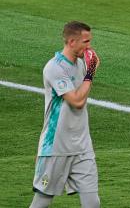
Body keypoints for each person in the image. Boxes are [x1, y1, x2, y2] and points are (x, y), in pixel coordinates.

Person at [29, 21, 101, 208]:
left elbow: (82, 95)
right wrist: (91, 72)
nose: (89, 46)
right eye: (85, 42)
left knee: (92, 203)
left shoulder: (81, 64)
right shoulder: (54, 68)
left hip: (82, 146)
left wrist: (88, 70)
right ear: (71, 42)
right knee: (42, 202)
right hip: (56, 147)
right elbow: (77, 101)